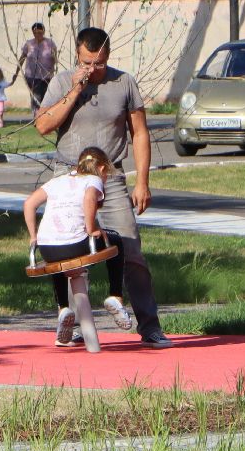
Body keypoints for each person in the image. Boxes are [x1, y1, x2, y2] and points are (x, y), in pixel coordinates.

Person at [33, 26, 172, 348]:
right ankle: (76, 325)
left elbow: (139, 133)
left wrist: (143, 182)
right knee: (71, 253)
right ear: (77, 55)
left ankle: (150, 327)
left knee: (132, 251)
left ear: (107, 56)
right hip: (69, 177)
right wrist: (74, 90)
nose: (93, 69)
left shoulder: (123, 82)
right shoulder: (61, 81)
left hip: (112, 178)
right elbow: (43, 126)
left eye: (99, 63)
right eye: (87, 62)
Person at [22, 146, 134, 346]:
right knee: (116, 240)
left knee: (57, 258)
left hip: (47, 247)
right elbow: (90, 198)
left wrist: (33, 237)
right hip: (76, 245)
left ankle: (63, 308)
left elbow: (29, 204)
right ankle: (116, 295)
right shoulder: (93, 179)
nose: (106, 178)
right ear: (101, 168)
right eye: (107, 173)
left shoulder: (57, 181)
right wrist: (91, 229)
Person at [15, 22, 58, 111]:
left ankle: (43, 118)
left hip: (46, 77)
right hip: (32, 77)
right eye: (35, 33)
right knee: (36, 98)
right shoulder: (29, 44)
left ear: (43, 32)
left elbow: (55, 59)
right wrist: (16, 72)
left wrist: (53, 70)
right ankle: (36, 118)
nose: (37, 35)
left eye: (40, 32)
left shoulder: (50, 43)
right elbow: (22, 58)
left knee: (46, 99)